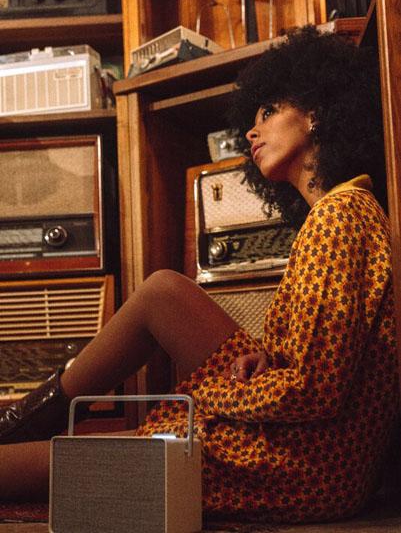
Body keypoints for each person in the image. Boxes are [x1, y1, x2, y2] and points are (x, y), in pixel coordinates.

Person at [0, 26, 398, 525]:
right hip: (309, 452)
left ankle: (17, 425)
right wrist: (263, 358)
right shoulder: (343, 212)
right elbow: (318, 367)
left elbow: (312, 391)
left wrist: (207, 394)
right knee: (163, 292)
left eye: (268, 112)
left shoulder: (340, 216)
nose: (251, 133)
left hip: (302, 464)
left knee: (38, 465)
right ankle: (20, 422)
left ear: (316, 113)